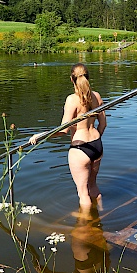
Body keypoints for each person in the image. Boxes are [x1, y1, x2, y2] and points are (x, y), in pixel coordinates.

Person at [30, 63, 107, 208]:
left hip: (80, 148)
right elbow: (103, 124)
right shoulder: (96, 96)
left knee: (83, 193)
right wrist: (96, 141)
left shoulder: (72, 99)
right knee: (93, 187)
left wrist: (42, 135)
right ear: (88, 77)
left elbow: (63, 129)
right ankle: (101, 215)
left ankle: (86, 226)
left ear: (72, 79)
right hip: (97, 145)